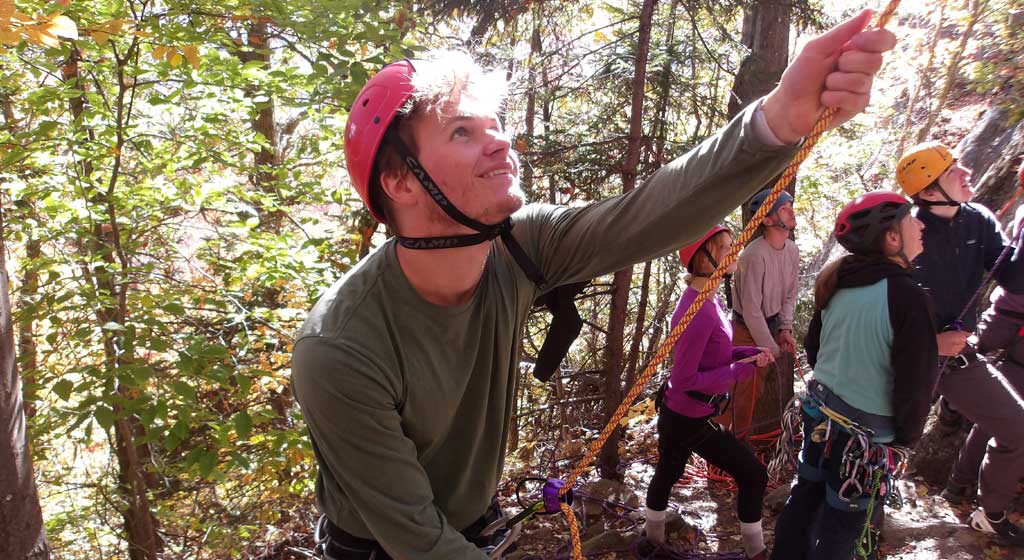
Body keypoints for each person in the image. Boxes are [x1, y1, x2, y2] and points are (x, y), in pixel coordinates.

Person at [290, 12, 896, 559]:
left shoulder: (519, 245)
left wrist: (779, 119)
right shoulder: (341, 347)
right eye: (461, 132)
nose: (501, 140)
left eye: (495, 125)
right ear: (401, 182)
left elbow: (646, 215)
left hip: (475, 527)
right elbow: (417, 539)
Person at [771, 191, 937, 560]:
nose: (921, 225)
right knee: (843, 532)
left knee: (804, 502)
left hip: (820, 416)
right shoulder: (908, 296)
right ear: (891, 238)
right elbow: (916, 383)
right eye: (912, 219)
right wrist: (905, 440)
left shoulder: (839, 282)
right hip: (866, 440)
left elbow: (815, 350)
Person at [897, 143, 1024, 544]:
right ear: (929, 191)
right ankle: (857, 513)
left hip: (957, 357)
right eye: (954, 170)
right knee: (889, 438)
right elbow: (883, 312)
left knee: (1018, 426)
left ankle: (991, 513)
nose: (967, 172)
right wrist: (931, 342)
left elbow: (1015, 279)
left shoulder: (978, 220)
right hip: (909, 357)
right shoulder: (906, 233)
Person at [644, 226, 774, 559]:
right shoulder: (697, 311)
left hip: (686, 412)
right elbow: (684, 378)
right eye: (726, 247)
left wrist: (744, 353)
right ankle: (756, 552)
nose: (734, 252)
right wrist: (739, 370)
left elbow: (713, 355)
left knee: (669, 470)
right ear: (705, 258)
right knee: (752, 474)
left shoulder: (709, 300)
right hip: (687, 416)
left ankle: (652, 539)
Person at [724, 189, 799, 433]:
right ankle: (725, 443)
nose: (791, 211)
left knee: (754, 393)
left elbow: (790, 293)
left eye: (790, 206)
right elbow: (751, 310)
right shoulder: (754, 255)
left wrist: (785, 328)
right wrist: (771, 346)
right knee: (740, 392)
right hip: (745, 330)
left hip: (770, 324)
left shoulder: (792, 250)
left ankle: (738, 440)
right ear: (766, 219)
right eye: (784, 209)